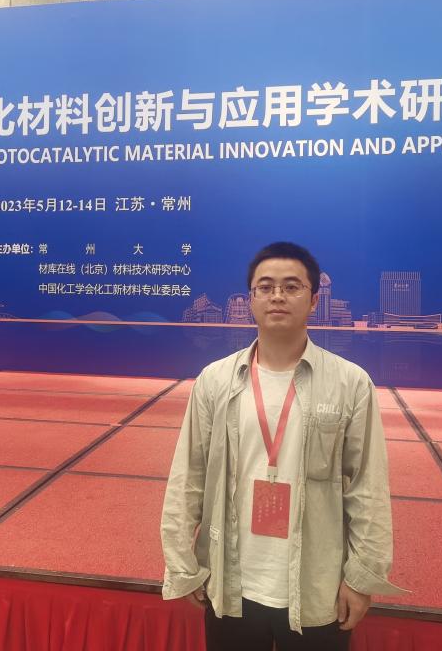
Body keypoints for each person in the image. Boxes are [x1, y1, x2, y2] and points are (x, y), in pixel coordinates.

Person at [161, 242, 403, 650]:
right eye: (265, 287)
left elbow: (368, 488)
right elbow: (188, 477)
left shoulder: (350, 383)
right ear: (250, 299)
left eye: (291, 287)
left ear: (313, 300)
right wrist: (182, 565)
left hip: (317, 589)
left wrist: (363, 579)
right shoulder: (215, 381)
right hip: (229, 583)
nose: (277, 296)